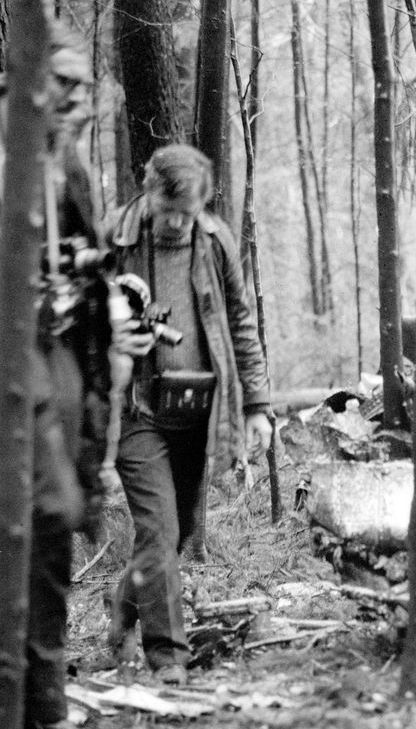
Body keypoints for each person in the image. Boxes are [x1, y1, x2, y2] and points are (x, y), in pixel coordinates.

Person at [0, 26, 145, 729]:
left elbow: (88, 259)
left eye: (86, 89)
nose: (79, 102)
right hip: (9, 353)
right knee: (28, 519)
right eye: (64, 86)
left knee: (55, 520)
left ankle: (45, 705)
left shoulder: (74, 166)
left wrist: (111, 292)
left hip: (63, 354)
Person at [105, 143, 273, 685]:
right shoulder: (114, 240)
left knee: (171, 538)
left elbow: (240, 325)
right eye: (167, 208)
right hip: (137, 411)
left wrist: (257, 405)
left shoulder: (216, 240)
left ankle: (125, 601)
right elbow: (81, 323)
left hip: (200, 413)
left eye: (188, 212)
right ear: (146, 190)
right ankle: (168, 657)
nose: (176, 222)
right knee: (158, 531)